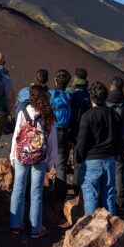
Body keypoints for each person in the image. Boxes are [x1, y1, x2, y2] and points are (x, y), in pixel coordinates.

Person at [9, 85, 58, 238]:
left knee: (18, 190)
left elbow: (16, 136)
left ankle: (15, 225)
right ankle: (36, 229)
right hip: (40, 159)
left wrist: (13, 156)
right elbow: (52, 141)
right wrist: (50, 163)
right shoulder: (48, 115)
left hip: (22, 157)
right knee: (36, 193)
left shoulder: (23, 112)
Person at [76, 81, 122, 216]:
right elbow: (120, 138)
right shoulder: (114, 115)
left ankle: (92, 229)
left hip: (91, 161)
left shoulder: (87, 116)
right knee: (109, 196)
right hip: (109, 160)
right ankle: (113, 228)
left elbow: (82, 142)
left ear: (91, 97)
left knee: (91, 197)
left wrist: (79, 158)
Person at [106, 77, 124, 209]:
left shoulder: (105, 101)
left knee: (105, 167)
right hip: (120, 142)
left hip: (105, 142)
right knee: (119, 168)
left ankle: (106, 195)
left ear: (111, 86)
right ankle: (120, 197)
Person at [67, 68, 92, 195]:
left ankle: (61, 186)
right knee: (79, 160)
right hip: (83, 130)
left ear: (75, 77)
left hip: (68, 128)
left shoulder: (70, 91)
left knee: (62, 158)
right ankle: (78, 186)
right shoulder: (88, 93)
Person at [49, 70, 72, 201]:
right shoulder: (68, 97)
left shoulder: (51, 94)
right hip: (64, 131)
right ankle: (60, 193)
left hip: (51, 130)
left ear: (55, 80)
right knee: (61, 163)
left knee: (41, 160)